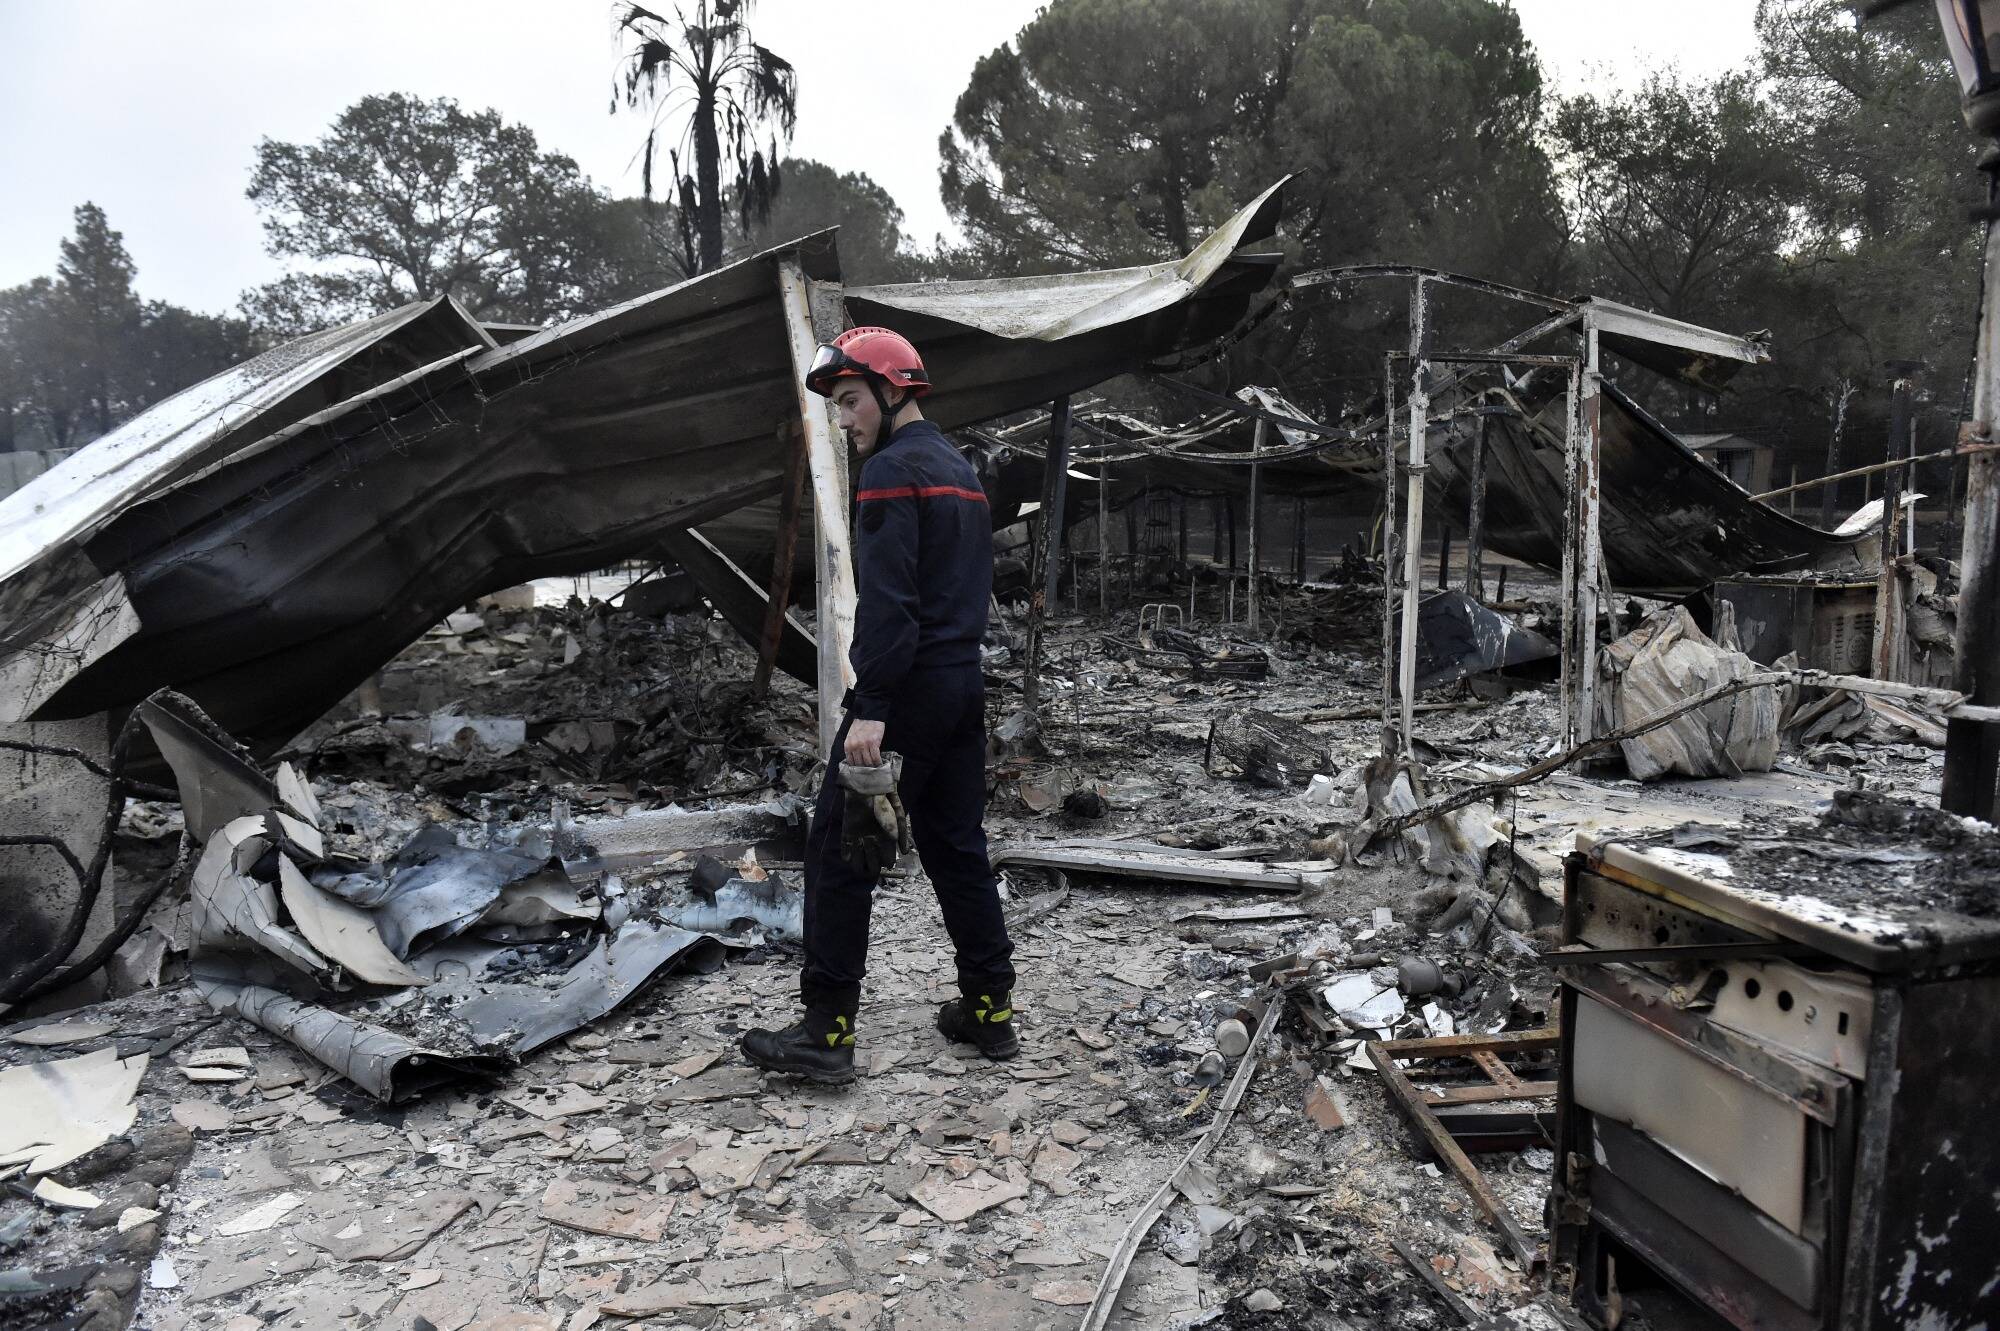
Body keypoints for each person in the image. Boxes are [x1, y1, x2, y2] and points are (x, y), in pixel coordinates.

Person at [739, 326, 1018, 1085]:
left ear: (898, 392)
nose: (846, 420)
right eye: (839, 406)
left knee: (839, 851)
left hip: (908, 693)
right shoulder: (961, 472)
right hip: (962, 686)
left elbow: (892, 607)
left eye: (853, 400)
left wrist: (872, 708)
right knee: (956, 844)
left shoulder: (892, 474)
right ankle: (990, 1010)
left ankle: (826, 1031)